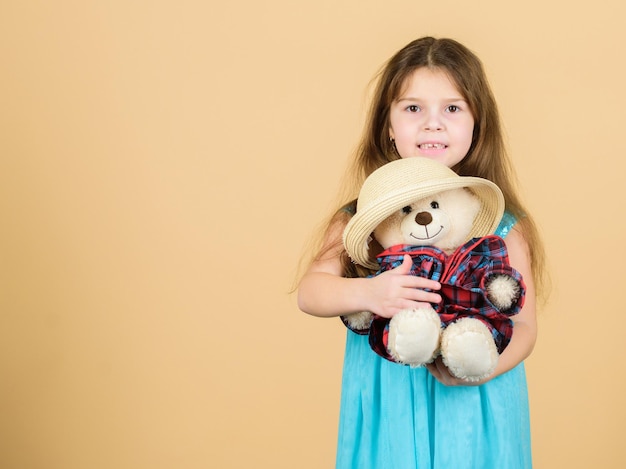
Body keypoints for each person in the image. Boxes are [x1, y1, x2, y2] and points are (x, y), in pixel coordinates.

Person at [296, 36, 548, 468]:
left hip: (476, 401)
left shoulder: (504, 225)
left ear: (476, 125)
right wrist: (369, 293)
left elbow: (524, 327)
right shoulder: (362, 219)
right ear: (388, 127)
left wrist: (481, 369)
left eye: (452, 108)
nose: (433, 124)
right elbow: (311, 291)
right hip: (387, 401)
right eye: (413, 109)